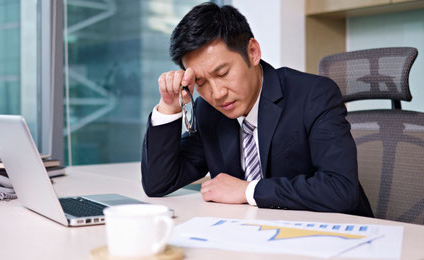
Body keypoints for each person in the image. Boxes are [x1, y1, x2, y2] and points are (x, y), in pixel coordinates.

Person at [141, 2, 373, 217]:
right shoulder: (208, 111)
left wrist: (248, 191)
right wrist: (169, 107)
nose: (217, 93)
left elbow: (340, 190)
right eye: (200, 82)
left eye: (222, 73)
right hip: (255, 235)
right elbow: (159, 183)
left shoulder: (314, 95)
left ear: (253, 52)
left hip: (335, 239)